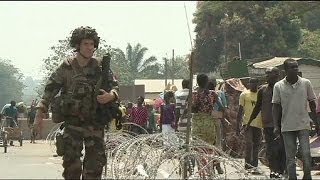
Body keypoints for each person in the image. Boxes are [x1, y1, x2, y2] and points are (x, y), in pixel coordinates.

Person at [34, 26, 119, 179]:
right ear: (78, 45)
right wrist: (39, 115)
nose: (89, 47)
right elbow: (49, 91)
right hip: (73, 125)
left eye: (92, 44)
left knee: (94, 167)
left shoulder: (101, 67)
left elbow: (115, 87)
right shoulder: (66, 67)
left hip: (95, 124)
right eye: (85, 44)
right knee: (72, 168)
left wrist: (110, 96)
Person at [272, 58, 319, 180]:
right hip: (287, 126)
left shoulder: (306, 83)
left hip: (303, 124)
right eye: (292, 67)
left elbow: (312, 103)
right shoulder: (279, 86)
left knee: (306, 154)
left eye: (296, 67)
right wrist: (276, 126)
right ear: (285, 70)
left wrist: (316, 122)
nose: (295, 69)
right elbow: (275, 107)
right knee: (290, 157)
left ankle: (307, 176)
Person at [247, 67, 286, 178]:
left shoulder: (283, 89)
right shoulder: (263, 90)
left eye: (269, 74)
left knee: (281, 150)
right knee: (270, 151)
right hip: (268, 126)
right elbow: (257, 107)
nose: (267, 76)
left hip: (282, 125)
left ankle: (281, 170)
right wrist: (249, 122)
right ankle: (273, 171)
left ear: (277, 75)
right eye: (266, 74)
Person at [191, 74, 226, 177]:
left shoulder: (194, 94)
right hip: (209, 125)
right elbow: (222, 108)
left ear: (197, 82)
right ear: (207, 82)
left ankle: (202, 173)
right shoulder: (213, 94)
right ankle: (210, 172)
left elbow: (192, 109)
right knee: (209, 149)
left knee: (199, 150)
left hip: (197, 124)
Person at [236, 78, 263, 173]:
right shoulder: (244, 95)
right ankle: (247, 165)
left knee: (256, 145)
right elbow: (240, 111)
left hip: (259, 124)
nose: (254, 84)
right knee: (249, 144)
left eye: (255, 82)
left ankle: (254, 166)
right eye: (252, 82)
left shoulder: (261, 94)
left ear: (258, 83)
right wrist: (237, 126)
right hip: (247, 123)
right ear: (249, 84)